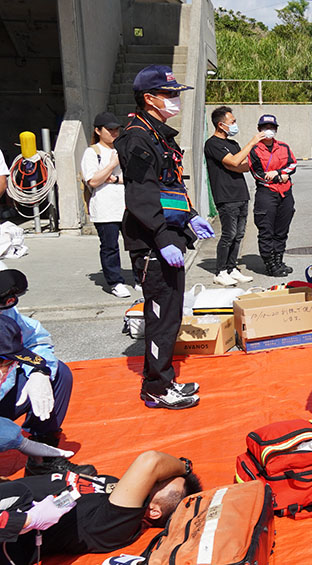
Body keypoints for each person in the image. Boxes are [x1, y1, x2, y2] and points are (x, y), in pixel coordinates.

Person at [116, 65, 209, 410]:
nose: (174, 100)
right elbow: (141, 194)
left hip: (169, 234)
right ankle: (156, 386)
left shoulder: (159, 135)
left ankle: (165, 377)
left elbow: (171, 185)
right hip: (153, 241)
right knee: (160, 314)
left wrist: (191, 218)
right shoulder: (137, 138)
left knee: (170, 312)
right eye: (169, 94)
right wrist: (161, 235)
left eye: (175, 93)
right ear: (149, 98)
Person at [0, 450, 201, 563]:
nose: (157, 477)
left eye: (159, 482)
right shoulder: (115, 487)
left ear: (154, 511)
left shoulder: (116, 524)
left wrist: (185, 467)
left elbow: (151, 462)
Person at [0, 282, 89, 476]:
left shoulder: (4, 309)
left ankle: (42, 460)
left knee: (58, 373)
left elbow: (35, 340)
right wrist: (17, 440)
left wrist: (39, 372)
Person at [204, 106, 264, 287]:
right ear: (221, 125)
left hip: (240, 193)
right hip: (226, 196)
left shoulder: (232, 144)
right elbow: (234, 161)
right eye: (232, 122)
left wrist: (239, 160)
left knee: (239, 234)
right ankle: (220, 271)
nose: (235, 125)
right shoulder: (212, 144)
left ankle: (231, 268)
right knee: (228, 234)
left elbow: (243, 165)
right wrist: (251, 143)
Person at [81, 112, 131, 298]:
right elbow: (93, 181)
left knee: (136, 245)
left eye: (116, 129)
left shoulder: (123, 148)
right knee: (110, 247)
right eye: (109, 129)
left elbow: (134, 176)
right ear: (97, 130)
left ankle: (140, 278)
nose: (114, 133)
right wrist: (111, 165)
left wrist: (115, 178)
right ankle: (115, 281)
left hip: (127, 205)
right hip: (104, 208)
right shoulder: (92, 152)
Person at [247, 114, 297, 277]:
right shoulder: (254, 150)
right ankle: (270, 263)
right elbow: (257, 173)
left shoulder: (284, 146)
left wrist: (280, 172)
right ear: (259, 129)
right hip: (267, 193)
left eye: (271, 127)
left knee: (282, 229)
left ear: (276, 129)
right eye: (265, 128)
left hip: (285, 191)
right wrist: (277, 177)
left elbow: (293, 164)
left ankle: (279, 260)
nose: (268, 131)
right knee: (266, 229)